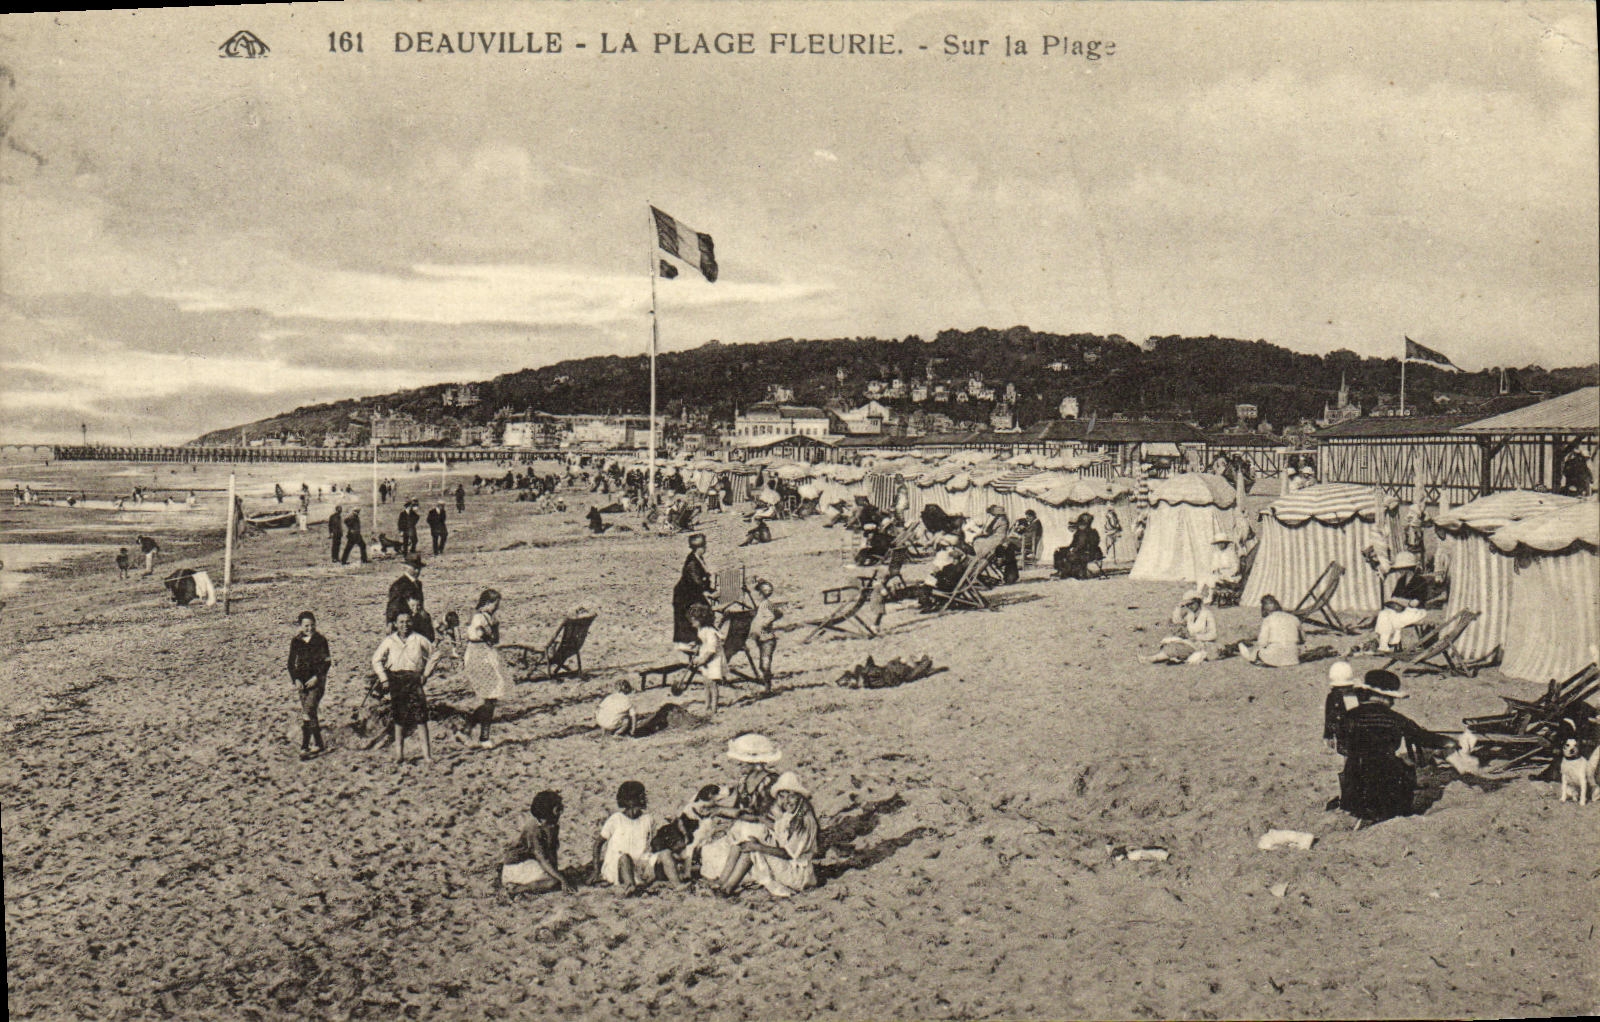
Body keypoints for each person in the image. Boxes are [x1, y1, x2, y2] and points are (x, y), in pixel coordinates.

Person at [1336, 669, 1457, 825]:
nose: (1393, 703)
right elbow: (1424, 738)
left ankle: (1362, 813)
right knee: (1401, 770)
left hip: (1354, 784)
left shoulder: (1349, 716)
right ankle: (1384, 812)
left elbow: (1341, 747)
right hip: (1386, 780)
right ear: (1385, 697)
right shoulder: (1396, 719)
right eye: (1392, 699)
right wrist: (1450, 741)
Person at [712, 772, 819, 899]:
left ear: (800, 796)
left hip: (797, 875)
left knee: (752, 848)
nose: (787, 801)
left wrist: (759, 847)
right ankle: (722, 881)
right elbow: (779, 829)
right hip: (789, 864)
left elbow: (788, 853)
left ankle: (728, 888)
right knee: (745, 840)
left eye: (792, 796)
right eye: (783, 796)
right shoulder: (793, 813)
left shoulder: (804, 821)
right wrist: (760, 819)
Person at [698, 733, 784, 882]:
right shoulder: (744, 781)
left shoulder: (770, 781)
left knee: (746, 834)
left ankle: (729, 880)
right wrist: (715, 810)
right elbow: (737, 809)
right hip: (746, 826)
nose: (739, 765)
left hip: (766, 830)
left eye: (742, 762)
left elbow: (756, 815)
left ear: (754, 763)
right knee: (710, 851)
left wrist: (719, 810)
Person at [371, 609, 443, 766]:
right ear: (395, 624)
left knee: (421, 717)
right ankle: (399, 755)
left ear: (412, 622)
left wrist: (426, 674)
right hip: (396, 681)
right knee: (399, 718)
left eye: (408, 621)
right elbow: (376, 660)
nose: (405, 625)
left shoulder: (418, 639)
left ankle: (427, 756)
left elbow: (435, 654)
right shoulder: (389, 641)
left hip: (414, 679)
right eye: (401, 622)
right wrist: (384, 679)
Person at [590, 781, 681, 895]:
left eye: (643, 796)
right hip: (619, 867)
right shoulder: (616, 819)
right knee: (625, 858)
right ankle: (630, 887)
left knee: (666, 853)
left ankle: (678, 885)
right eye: (640, 796)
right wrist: (596, 870)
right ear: (629, 800)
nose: (644, 799)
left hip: (640, 865)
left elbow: (655, 844)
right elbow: (598, 844)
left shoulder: (648, 819)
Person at [460, 588, 512, 749]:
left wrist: (494, 628)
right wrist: (491, 631)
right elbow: (481, 636)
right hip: (478, 656)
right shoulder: (478, 618)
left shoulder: (489, 618)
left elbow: (494, 639)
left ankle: (469, 731)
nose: (496, 607)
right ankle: (480, 735)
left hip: (486, 655)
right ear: (487, 603)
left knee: (492, 698)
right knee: (490, 697)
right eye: (495, 604)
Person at [502, 791, 576, 894]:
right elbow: (542, 858)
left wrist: (556, 872)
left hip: (533, 861)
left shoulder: (552, 825)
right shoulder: (534, 829)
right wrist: (561, 879)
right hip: (518, 865)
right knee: (552, 881)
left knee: (554, 876)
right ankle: (516, 889)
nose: (561, 813)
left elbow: (551, 851)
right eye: (558, 809)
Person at [287, 611, 331, 760]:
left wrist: (317, 677)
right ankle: (319, 743)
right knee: (310, 713)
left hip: (317, 682)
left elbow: (326, 661)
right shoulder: (296, 641)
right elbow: (291, 663)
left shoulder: (321, 640)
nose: (310, 628)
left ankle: (304, 746)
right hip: (302, 682)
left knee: (308, 710)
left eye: (312, 625)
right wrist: (296, 679)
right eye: (306, 626)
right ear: (300, 626)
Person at [1375, 552, 1430, 653]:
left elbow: (1415, 603)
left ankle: (1394, 643)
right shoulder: (1401, 580)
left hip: (1416, 611)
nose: (1400, 570)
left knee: (1394, 618)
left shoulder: (1420, 581)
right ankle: (1383, 644)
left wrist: (1400, 600)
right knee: (1383, 614)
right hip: (1401, 609)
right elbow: (1394, 597)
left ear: (1410, 568)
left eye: (1402, 568)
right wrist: (1399, 601)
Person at [1144, 591, 1219, 664]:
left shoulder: (1207, 614)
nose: (1189, 607)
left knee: (1180, 648)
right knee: (1169, 641)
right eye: (1187, 605)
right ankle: (1162, 657)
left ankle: (1153, 659)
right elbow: (1176, 621)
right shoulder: (1190, 614)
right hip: (1191, 642)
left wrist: (1197, 637)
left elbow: (1213, 634)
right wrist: (1179, 607)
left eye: (1191, 604)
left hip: (1202, 644)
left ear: (1198, 601)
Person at [672, 532, 715, 649]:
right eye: (704, 546)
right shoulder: (692, 563)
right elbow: (697, 581)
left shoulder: (698, 558)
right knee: (697, 614)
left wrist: (710, 589)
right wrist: (708, 592)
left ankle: (701, 638)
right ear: (699, 548)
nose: (706, 548)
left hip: (692, 592)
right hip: (685, 595)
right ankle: (695, 641)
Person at [1238, 595, 1303, 666]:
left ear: (1264, 609)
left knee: (1255, 652)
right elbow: (1303, 639)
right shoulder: (1294, 618)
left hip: (1275, 657)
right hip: (1293, 658)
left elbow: (1262, 643)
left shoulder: (1268, 620)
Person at [688, 603, 726, 715]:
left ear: (702, 620)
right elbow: (702, 642)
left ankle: (714, 708)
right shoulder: (701, 630)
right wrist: (696, 645)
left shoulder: (710, 631)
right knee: (706, 682)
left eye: (694, 620)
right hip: (706, 657)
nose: (692, 622)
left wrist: (702, 660)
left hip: (714, 659)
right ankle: (707, 706)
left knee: (713, 684)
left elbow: (711, 649)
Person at [750, 578, 782, 688]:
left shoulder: (764, 604)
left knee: (765, 664)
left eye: (756, 592)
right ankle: (767, 686)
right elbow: (778, 613)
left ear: (760, 593)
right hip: (763, 639)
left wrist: (763, 624)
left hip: (767, 639)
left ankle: (768, 688)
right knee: (763, 665)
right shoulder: (766, 603)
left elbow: (771, 616)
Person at [1322, 661, 1358, 754]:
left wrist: (1328, 734)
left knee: (1347, 752)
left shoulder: (1333, 696)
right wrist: (1328, 734)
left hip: (1344, 730)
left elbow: (1329, 716)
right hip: (1351, 730)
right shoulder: (1357, 694)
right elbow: (1329, 716)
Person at [1053, 513, 1102, 579]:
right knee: (1058, 552)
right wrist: (1063, 549)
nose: (1080, 525)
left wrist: (1074, 549)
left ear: (1087, 524)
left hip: (1088, 553)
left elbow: (1087, 546)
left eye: (1082, 524)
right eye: (1080, 523)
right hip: (1080, 551)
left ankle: (1068, 572)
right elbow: (1073, 544)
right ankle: (1060, 571)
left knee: (1071, 555)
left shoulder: (1091, 533)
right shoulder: (1079, 533)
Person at [385, 555, 424, 627]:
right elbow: (393, 605)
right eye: (414, 568)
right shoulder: (399, 584)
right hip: (404, 622)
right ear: (406, 567)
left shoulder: (418, 583)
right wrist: (390, 621)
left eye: (419, 568)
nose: (417, 571)